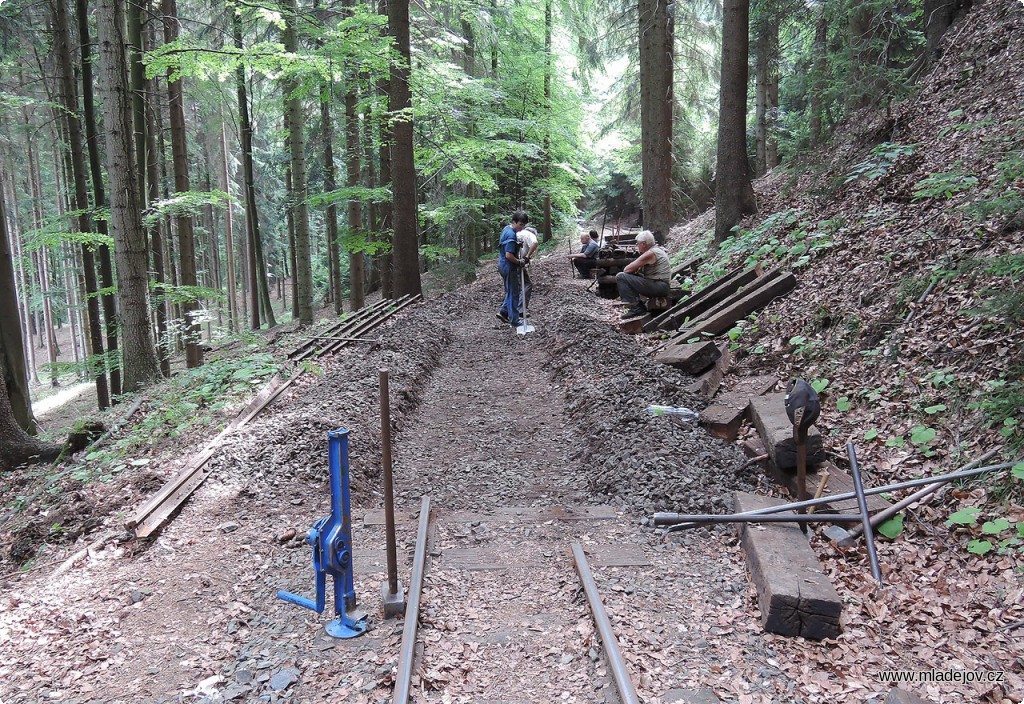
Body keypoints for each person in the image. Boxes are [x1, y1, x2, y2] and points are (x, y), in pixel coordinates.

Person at [615, 230, 670, 318]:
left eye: (638, 244)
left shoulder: (650, 253)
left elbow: (627, 269)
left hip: (659, 286)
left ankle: (636, 307)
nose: (637, 246)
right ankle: (637, 305)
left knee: (621, 276)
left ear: (644, 244)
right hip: (660, 285)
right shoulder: (657, 250)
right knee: (631, 276)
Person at [497, 211, 529, 325]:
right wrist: (519, 261)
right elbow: (509, 255)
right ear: (514, 222)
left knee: (510, 290)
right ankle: (515, 320)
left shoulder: (507, 229)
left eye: (524, 225)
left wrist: (517, 244)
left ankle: (504, 311)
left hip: (502, 264)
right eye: (520, 224)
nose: (522, 227)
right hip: (508, 265)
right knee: (514, 292)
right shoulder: (511, 235)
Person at [517, 225, 540, 316]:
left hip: (508, 261)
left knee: (516, 286)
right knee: (527, 285)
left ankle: (510, 310)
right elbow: (534, 243)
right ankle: (521, 309)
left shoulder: (517, 233)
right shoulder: (530, 234)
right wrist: (527, 256)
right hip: (518, 262)